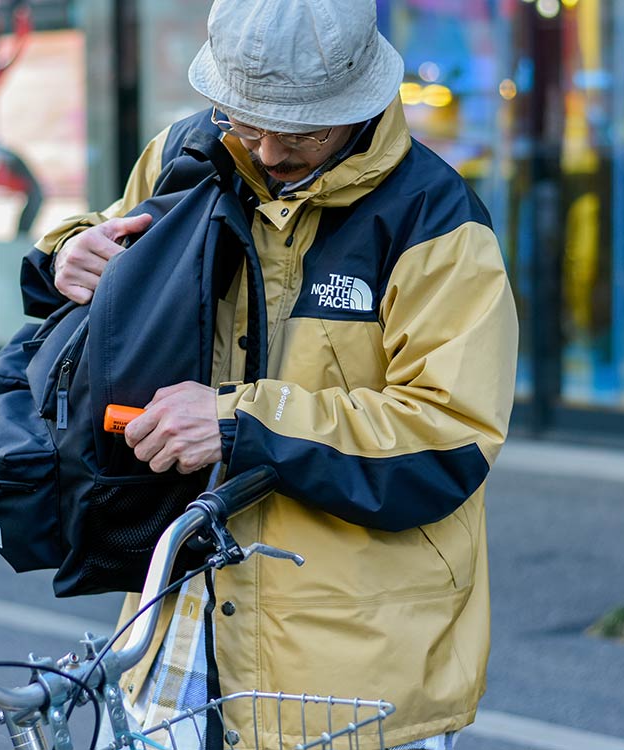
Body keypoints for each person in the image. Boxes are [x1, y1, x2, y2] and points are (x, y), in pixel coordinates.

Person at [35, 0, 518, 747]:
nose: (263, 151)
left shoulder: (436, 222)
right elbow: (98, 245)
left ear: (362, 99)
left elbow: (448, 436)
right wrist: (69, 252)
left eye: (298, 132)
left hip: (351, 674)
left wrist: (238, 422)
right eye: (244, 120)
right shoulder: (185, 152)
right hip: (176, 633)